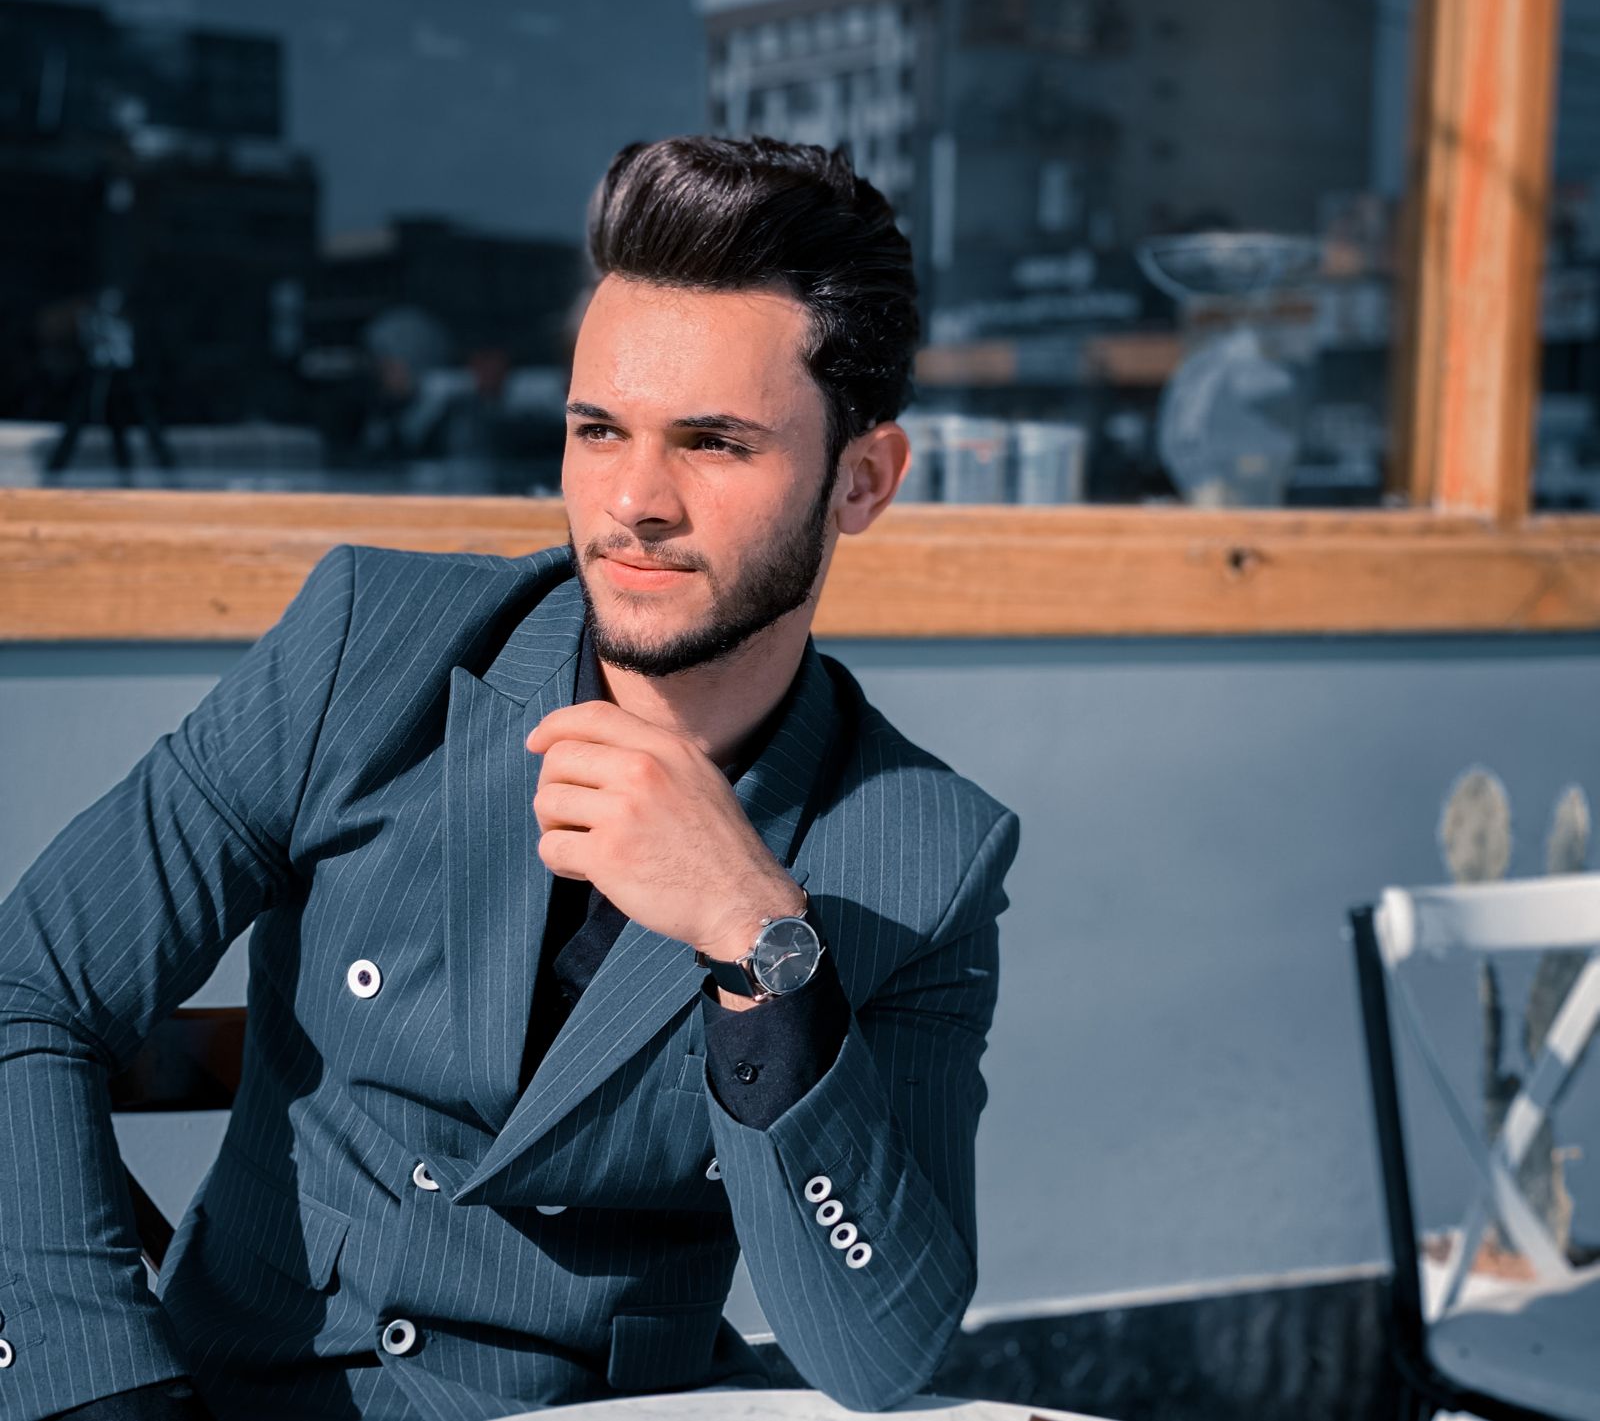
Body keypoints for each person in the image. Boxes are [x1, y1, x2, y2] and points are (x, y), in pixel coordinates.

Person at [0, 136, 1021, 1421]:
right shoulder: (370, 649)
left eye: (713, 442)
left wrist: (759, 943)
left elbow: (883, 1352)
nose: (633, 499)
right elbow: (27, 988)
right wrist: (98, 1385)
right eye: (599, 430)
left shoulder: (925, 853)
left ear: (860, 480)